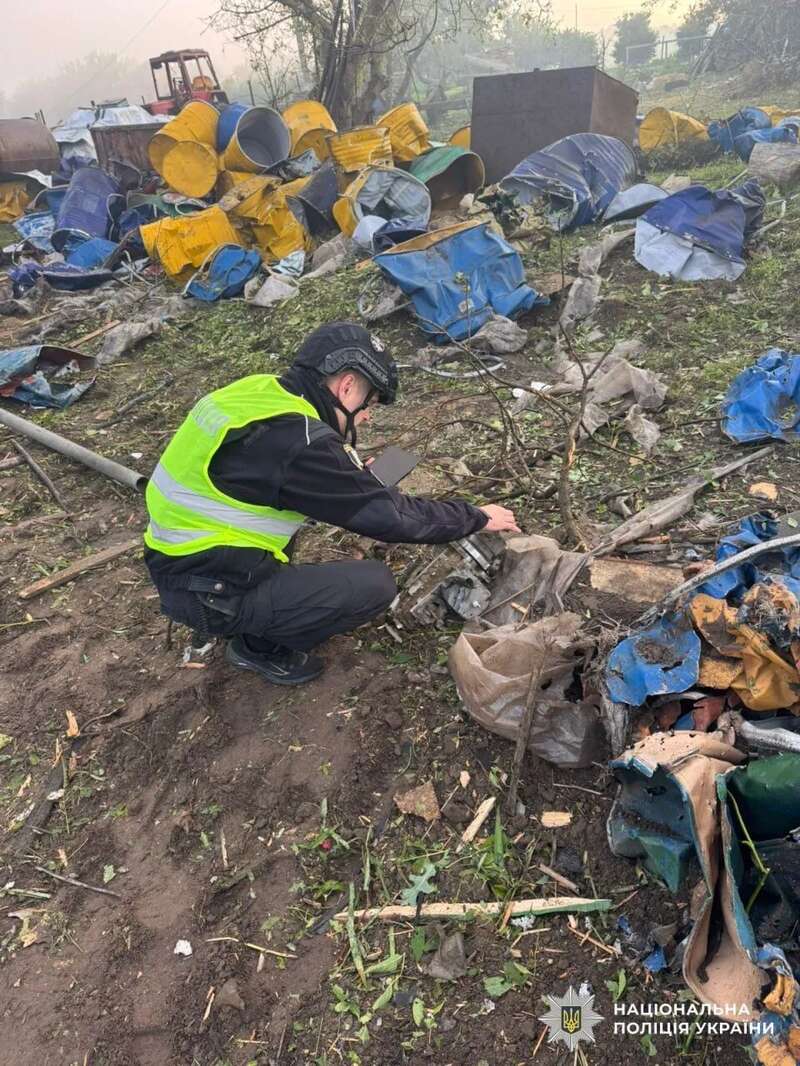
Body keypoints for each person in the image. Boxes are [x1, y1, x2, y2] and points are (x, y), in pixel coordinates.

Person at [144, 322, 520, 685]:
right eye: (369, 401)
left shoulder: (261, 391)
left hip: (181, 560)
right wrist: (475, 517)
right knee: (374, 585)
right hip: (209, 592)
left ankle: (248, 618)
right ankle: (259, 648)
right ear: (346, 385)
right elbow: (394, 519)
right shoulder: (302, 443)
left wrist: (344, 478)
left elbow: (262, 475)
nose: (368, 414)